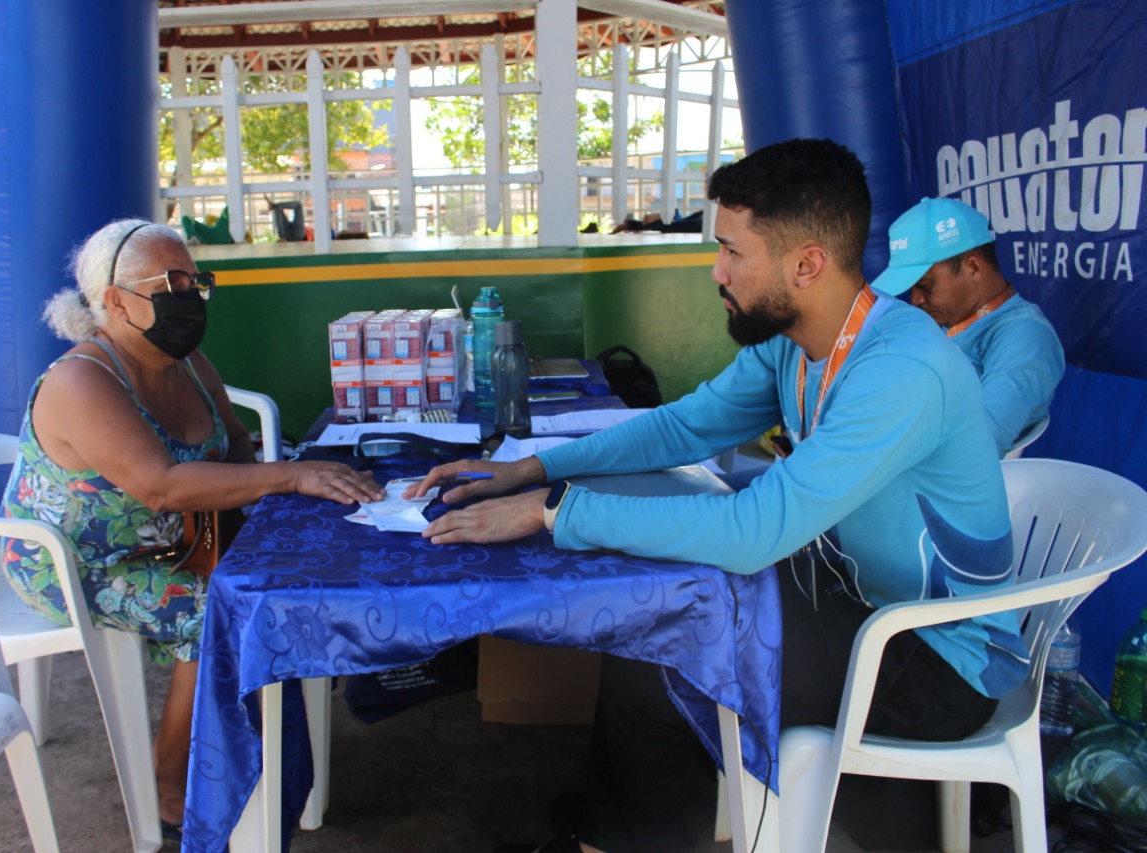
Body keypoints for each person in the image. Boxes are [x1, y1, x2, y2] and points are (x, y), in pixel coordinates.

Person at [404, 139, 1026, 853]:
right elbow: (683, 426)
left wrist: (554, 512)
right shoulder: (796, 340)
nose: (716, 270)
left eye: (732, 251)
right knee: (659, 621)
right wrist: (536, 469)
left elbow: (752, 530)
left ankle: (624, 836)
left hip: (930, 656)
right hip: (854, 603)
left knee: (663, 649)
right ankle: (622, 834)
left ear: (806, 264)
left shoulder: (902, 369)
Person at [0, 218, 384, 839]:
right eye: (169, 281)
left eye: (194, 280)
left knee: (278, 578)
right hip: (77, 564)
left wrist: (254, 510)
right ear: (115, 300)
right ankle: (169, 780)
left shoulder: (185, 361)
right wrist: (287, 479)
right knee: (219, 609)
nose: (188, 296)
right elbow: (159, 485)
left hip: (176, 541)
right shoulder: (82, 381)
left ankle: (263, 747)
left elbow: (233, 441)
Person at [872, 196, 1065, 457]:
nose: (915, 299)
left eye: (926, 285)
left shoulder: (1025, 337)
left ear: (973, 267)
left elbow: (979, 445)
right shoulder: (943, 320)